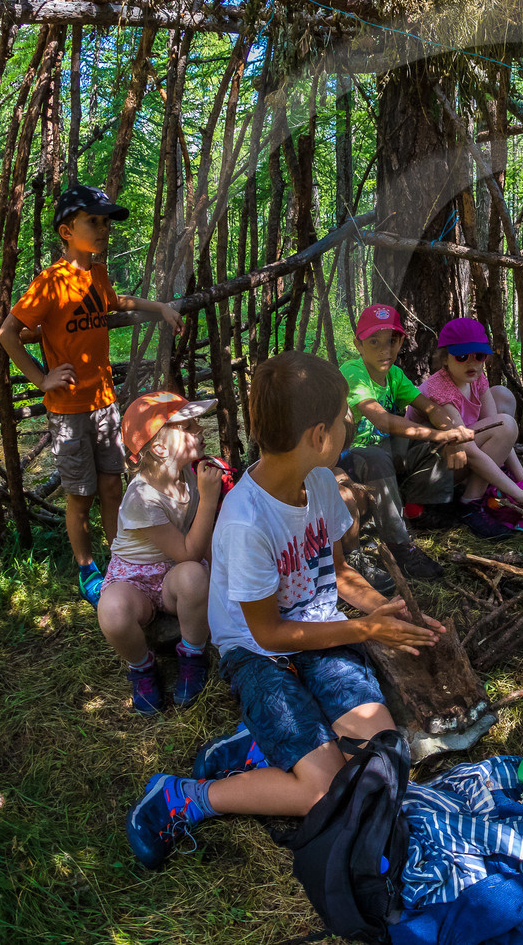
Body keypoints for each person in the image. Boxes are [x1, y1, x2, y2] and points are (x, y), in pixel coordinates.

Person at [125, 352, 445, 870]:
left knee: (385, 757)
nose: (350, 424)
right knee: (325, 791)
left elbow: (337, 572)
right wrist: (364, 627)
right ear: (318, 436)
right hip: (259, 654)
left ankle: (258, 749)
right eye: (344, 417)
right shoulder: (246, 520)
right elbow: (269, 634)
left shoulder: (319, 482)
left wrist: (385, 611)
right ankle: (184, 797)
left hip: (321, 633)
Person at [0, 185, 181, 605]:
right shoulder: (49, 282)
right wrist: (41, 379)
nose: (103, 230)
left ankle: (122, 563)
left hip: (104, 403)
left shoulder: (97, 274)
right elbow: (7, 332)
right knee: (80, 495)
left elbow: (116, 303)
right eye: (93, 222)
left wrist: (160, 307)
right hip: (69, 410)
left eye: (105, 222)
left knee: (112, 486)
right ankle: (86, 568)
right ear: (66, 230)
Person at [101, 392, 221, 714]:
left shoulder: (188, 478)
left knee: (195, 577)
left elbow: (196, 549)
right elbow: (188, 551)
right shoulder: (141, 497)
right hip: (135, 579)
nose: (200, 430)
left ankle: (193, 656)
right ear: (159, 447)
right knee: (112, 611)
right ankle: (142, 667)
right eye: (189, 426)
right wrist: (210, 500)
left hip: (173, 575)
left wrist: (219, 577)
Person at [338, 304, 478, 537]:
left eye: (391, 341)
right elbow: (382, 420)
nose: (385, 350)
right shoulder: (353, 372)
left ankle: (420, 508)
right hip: (353, 453)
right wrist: (441, 434)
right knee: (381, 455)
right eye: (374, 342)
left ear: (401, 343)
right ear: (358, 345)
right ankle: (397, 538)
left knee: (432, 441)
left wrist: (451, 437)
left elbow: (431, 407)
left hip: (385, 449)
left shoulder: (394, 375)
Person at [409, 317, 523, 536]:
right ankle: (470, 503)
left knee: (503, 396)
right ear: (445, 359)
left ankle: (484, 483)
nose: (472, 363)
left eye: (480, 356)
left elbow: (502, 435)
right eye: (463, 356)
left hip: (453, 457)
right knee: (504, 422)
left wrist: (521, 475)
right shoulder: (439, 390)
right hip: (429, 472)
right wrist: (518, 492)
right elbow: (471, 447)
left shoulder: (476, 378)